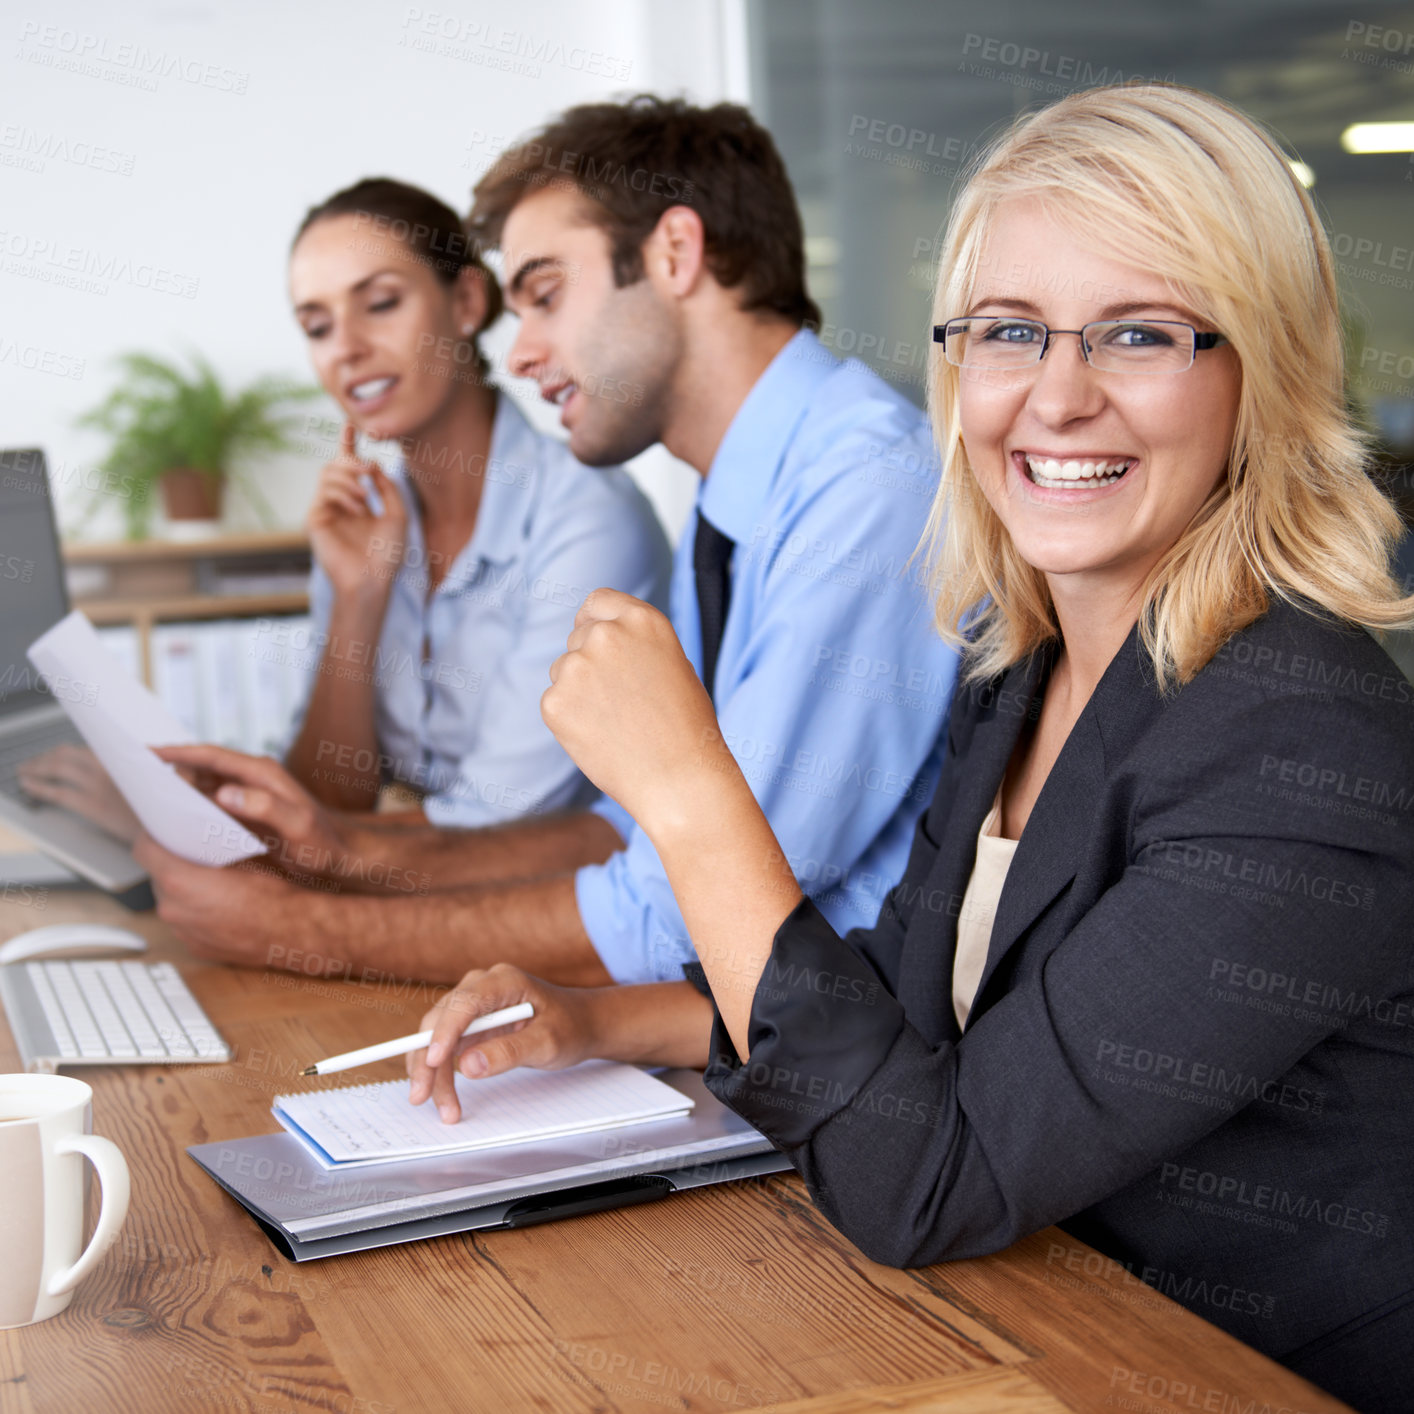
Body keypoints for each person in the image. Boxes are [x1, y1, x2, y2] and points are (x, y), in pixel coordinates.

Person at [403, 86, 1414, 1413]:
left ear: (1259, 365)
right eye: (1008, 331)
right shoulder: (1030, 666)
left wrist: (691, 791)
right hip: (1042, 1324)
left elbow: (927, 1171)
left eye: (1138, 332)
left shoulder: (1294, 742)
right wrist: (596, 1021)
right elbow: (894, 1011)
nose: (1055, 396)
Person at [133, 97, 959, 989]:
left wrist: (300, 928)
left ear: (675, 254)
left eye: (547, 295)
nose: (521, 353)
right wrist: (343, 852)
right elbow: (631, 828)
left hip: (828, 1067)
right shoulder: (737, 498)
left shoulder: (863, 494)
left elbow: (706, 902)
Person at [19, 179, 672, 836]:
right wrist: (357, 597)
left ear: (468, 301)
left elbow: (493, 823)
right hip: (403, 877)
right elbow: (329, 794)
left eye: (381, 303)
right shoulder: (362, 525)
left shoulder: (587, 521)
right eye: (317, 326)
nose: (346, 348)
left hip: (546, 903)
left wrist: (202, 829)